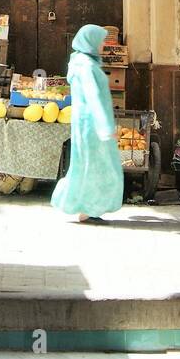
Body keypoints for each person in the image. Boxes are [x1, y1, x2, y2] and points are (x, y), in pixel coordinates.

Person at [51, 24, 124, 223]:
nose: (103, 45)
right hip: (92, 127)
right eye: (101, 41)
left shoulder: (81, 62)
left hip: (86, 124)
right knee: (96, 167)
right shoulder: (87, 66)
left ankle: (87, 207)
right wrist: (106, 128)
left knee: (88, 166)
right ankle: (85, 206)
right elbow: (94, 97)